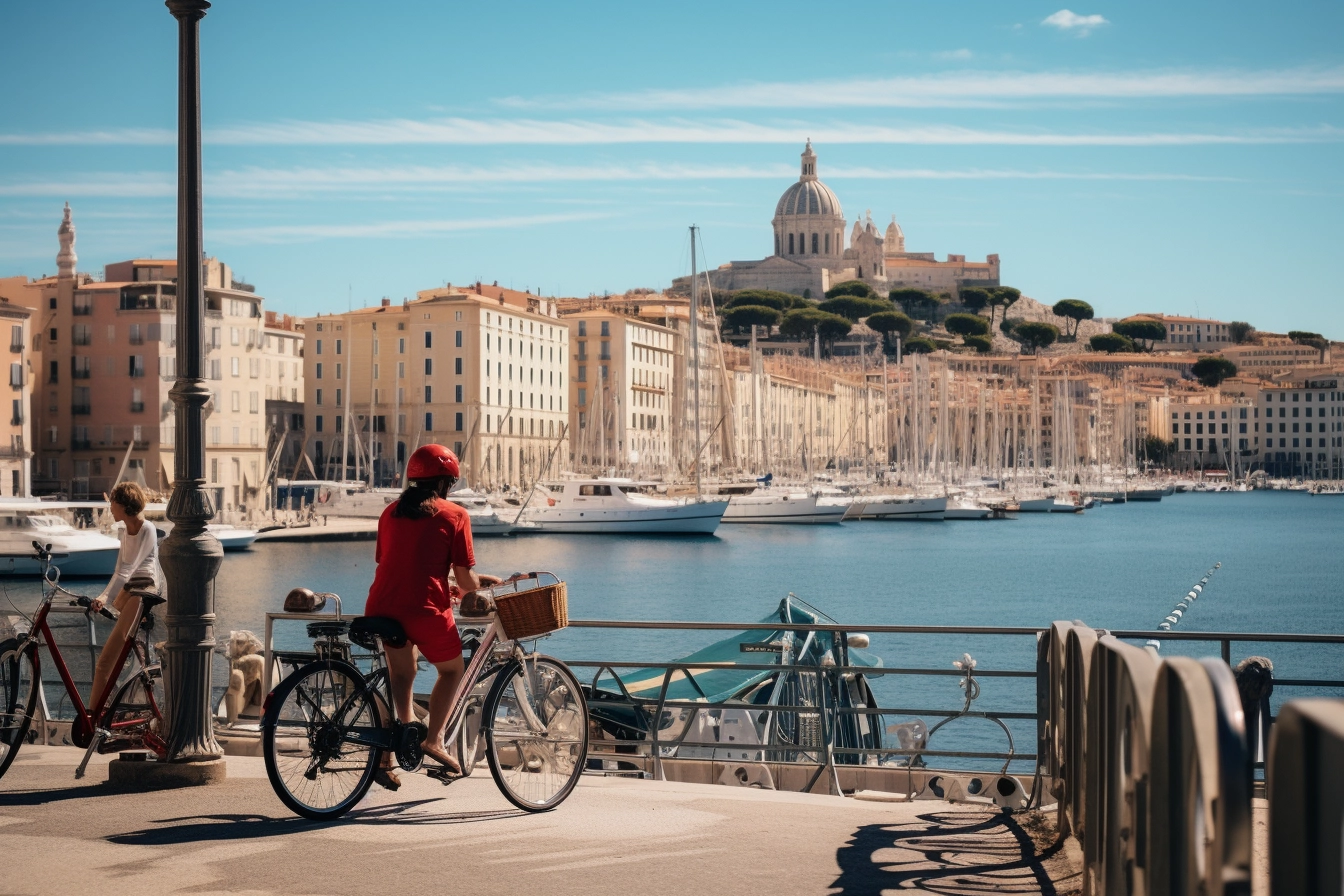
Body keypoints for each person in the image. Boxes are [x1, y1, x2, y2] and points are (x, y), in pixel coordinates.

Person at [364, 444, 497, 789]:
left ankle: (403, 734)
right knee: (451, 670)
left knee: (402, 671)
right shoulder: (455, 515)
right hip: (424, 609)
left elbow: (398, 563)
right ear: (445, 483)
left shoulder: (390, 512)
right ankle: (434, 741)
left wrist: (442, 582)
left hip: (382, 605)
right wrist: (479, 584)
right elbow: (466, 582)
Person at [89, 482, 161, 711]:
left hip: (142, 591)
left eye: (112, 503)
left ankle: (94, 716)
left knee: (104, 663)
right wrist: (103, 596)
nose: (110, 507)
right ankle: (101, 712)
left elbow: (131, 568)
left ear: (123, 504)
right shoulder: (124, 531)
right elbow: (120, 570)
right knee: (113, 662)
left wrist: (106, 597)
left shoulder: (147, 528)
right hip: (130, 592)